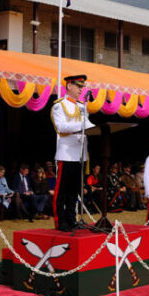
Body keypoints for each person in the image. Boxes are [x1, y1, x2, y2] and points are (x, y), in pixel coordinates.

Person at [51, 74, 95, 231]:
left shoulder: (82, 106)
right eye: (78, 86)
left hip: (80, 155)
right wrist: (81, 124)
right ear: (69, 86)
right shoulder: (59, 106)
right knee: (62, 191)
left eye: (82, 87)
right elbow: (61, 127)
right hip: (66, 154)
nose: (81, 90)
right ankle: (60, 220)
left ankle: (71, 219)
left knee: (73, 191)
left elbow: (88, 126)